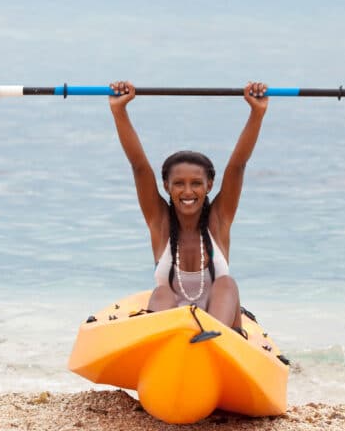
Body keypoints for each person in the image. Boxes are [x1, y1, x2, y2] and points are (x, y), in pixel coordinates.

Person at [108, 80, 268, 330]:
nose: (188, 191)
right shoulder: (159, 222)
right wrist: (119, 111)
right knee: (161, 293)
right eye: (179, 184)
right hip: (173, 333)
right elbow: (139, 166)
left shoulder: (219, 220)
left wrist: (256, 113)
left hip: (220, 332)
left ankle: (212, 341)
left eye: (196, 183)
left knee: (227, 284)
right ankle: (162, 346)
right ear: (166, 186)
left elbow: (237, 166)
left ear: (209, 185)